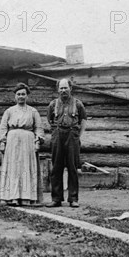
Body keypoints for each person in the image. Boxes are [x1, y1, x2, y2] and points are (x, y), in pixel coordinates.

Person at [0, 83, 45, 206]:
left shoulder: (33, 111)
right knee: (13, 168)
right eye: (18, 94)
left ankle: (27, 197)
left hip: (28, 142)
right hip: (12, 142)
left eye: (23, 94)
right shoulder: (9, 111)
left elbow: (39, 128)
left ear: (27, 96)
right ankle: (11, 197)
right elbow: (3, 128)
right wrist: (2, 142)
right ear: (15, 96)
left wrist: (37, 141)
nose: (21, 96)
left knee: (26, 168)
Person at [47, 78, 87, 208]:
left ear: (71, 89)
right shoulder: (53, 104)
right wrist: (55, 133)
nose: (63, 90)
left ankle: (73, 198)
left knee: (72, 167)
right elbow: (50, 120)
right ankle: (56, 199)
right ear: (58, 90)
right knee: (56, 167)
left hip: (72, 136)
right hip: (58, 136)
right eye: (61, 88)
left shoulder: (78, 104)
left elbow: (83, 121)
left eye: (66, 88)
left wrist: (77, 136)